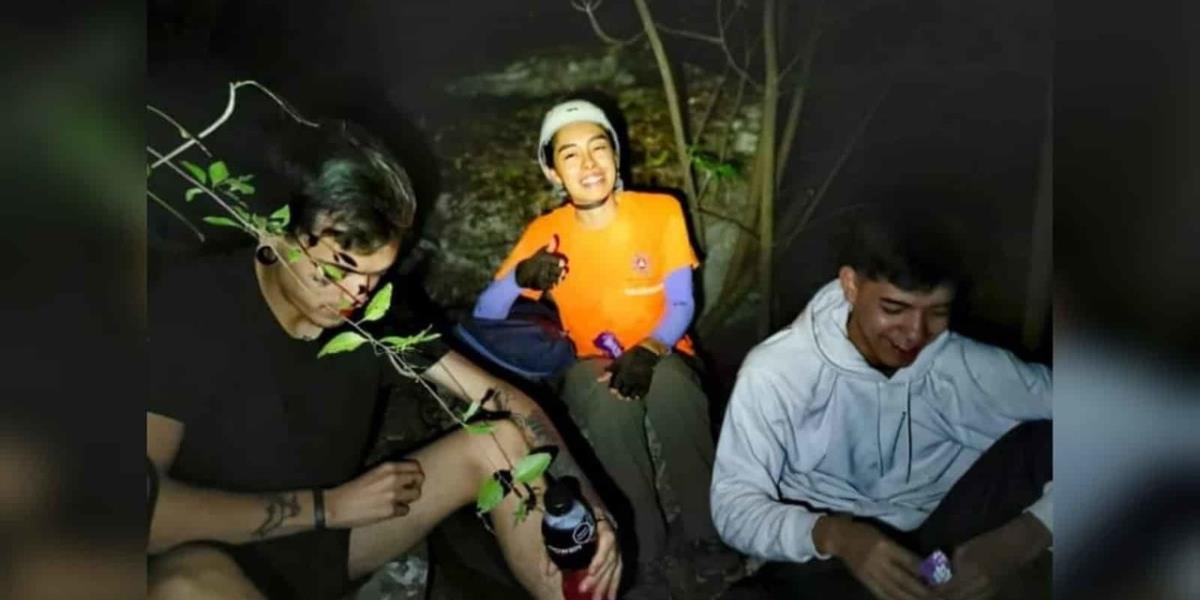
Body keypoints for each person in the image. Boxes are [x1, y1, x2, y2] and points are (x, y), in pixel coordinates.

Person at [147, 119, 622, 600]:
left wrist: (591, 510)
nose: (357, 293)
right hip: (210, 549)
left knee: (498, 442)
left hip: (329, 546)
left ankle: (574, 589)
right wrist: (328, 507)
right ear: (275, 233)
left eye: (376, 275)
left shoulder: (375, 311)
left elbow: (502, 398)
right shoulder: (192, 305)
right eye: (340, 267)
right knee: (188, 585)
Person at [713, 202, 1052, 600]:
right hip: (835, 559)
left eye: (937, 312)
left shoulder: (964, 365)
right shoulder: (778, 372)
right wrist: (838, 536)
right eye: (894, 308)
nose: (915, 334)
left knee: (1047, 438)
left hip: (938, 557)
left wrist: (1025, 536)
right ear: (851, 286)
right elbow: (734, 507)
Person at [472, 99, 741, 590]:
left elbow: (682, 303)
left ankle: (707, 533)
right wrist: (520, 277)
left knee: (675, 392)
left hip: (665, 349)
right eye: (570, 155)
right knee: (606, 404)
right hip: (587, 359)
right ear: (552, 172)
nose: (589, 164)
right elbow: (485, 313)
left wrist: (650, 349)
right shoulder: (546, 233)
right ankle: (643, 544)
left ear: (616, 156)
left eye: (599, 148)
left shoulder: (660, 211)